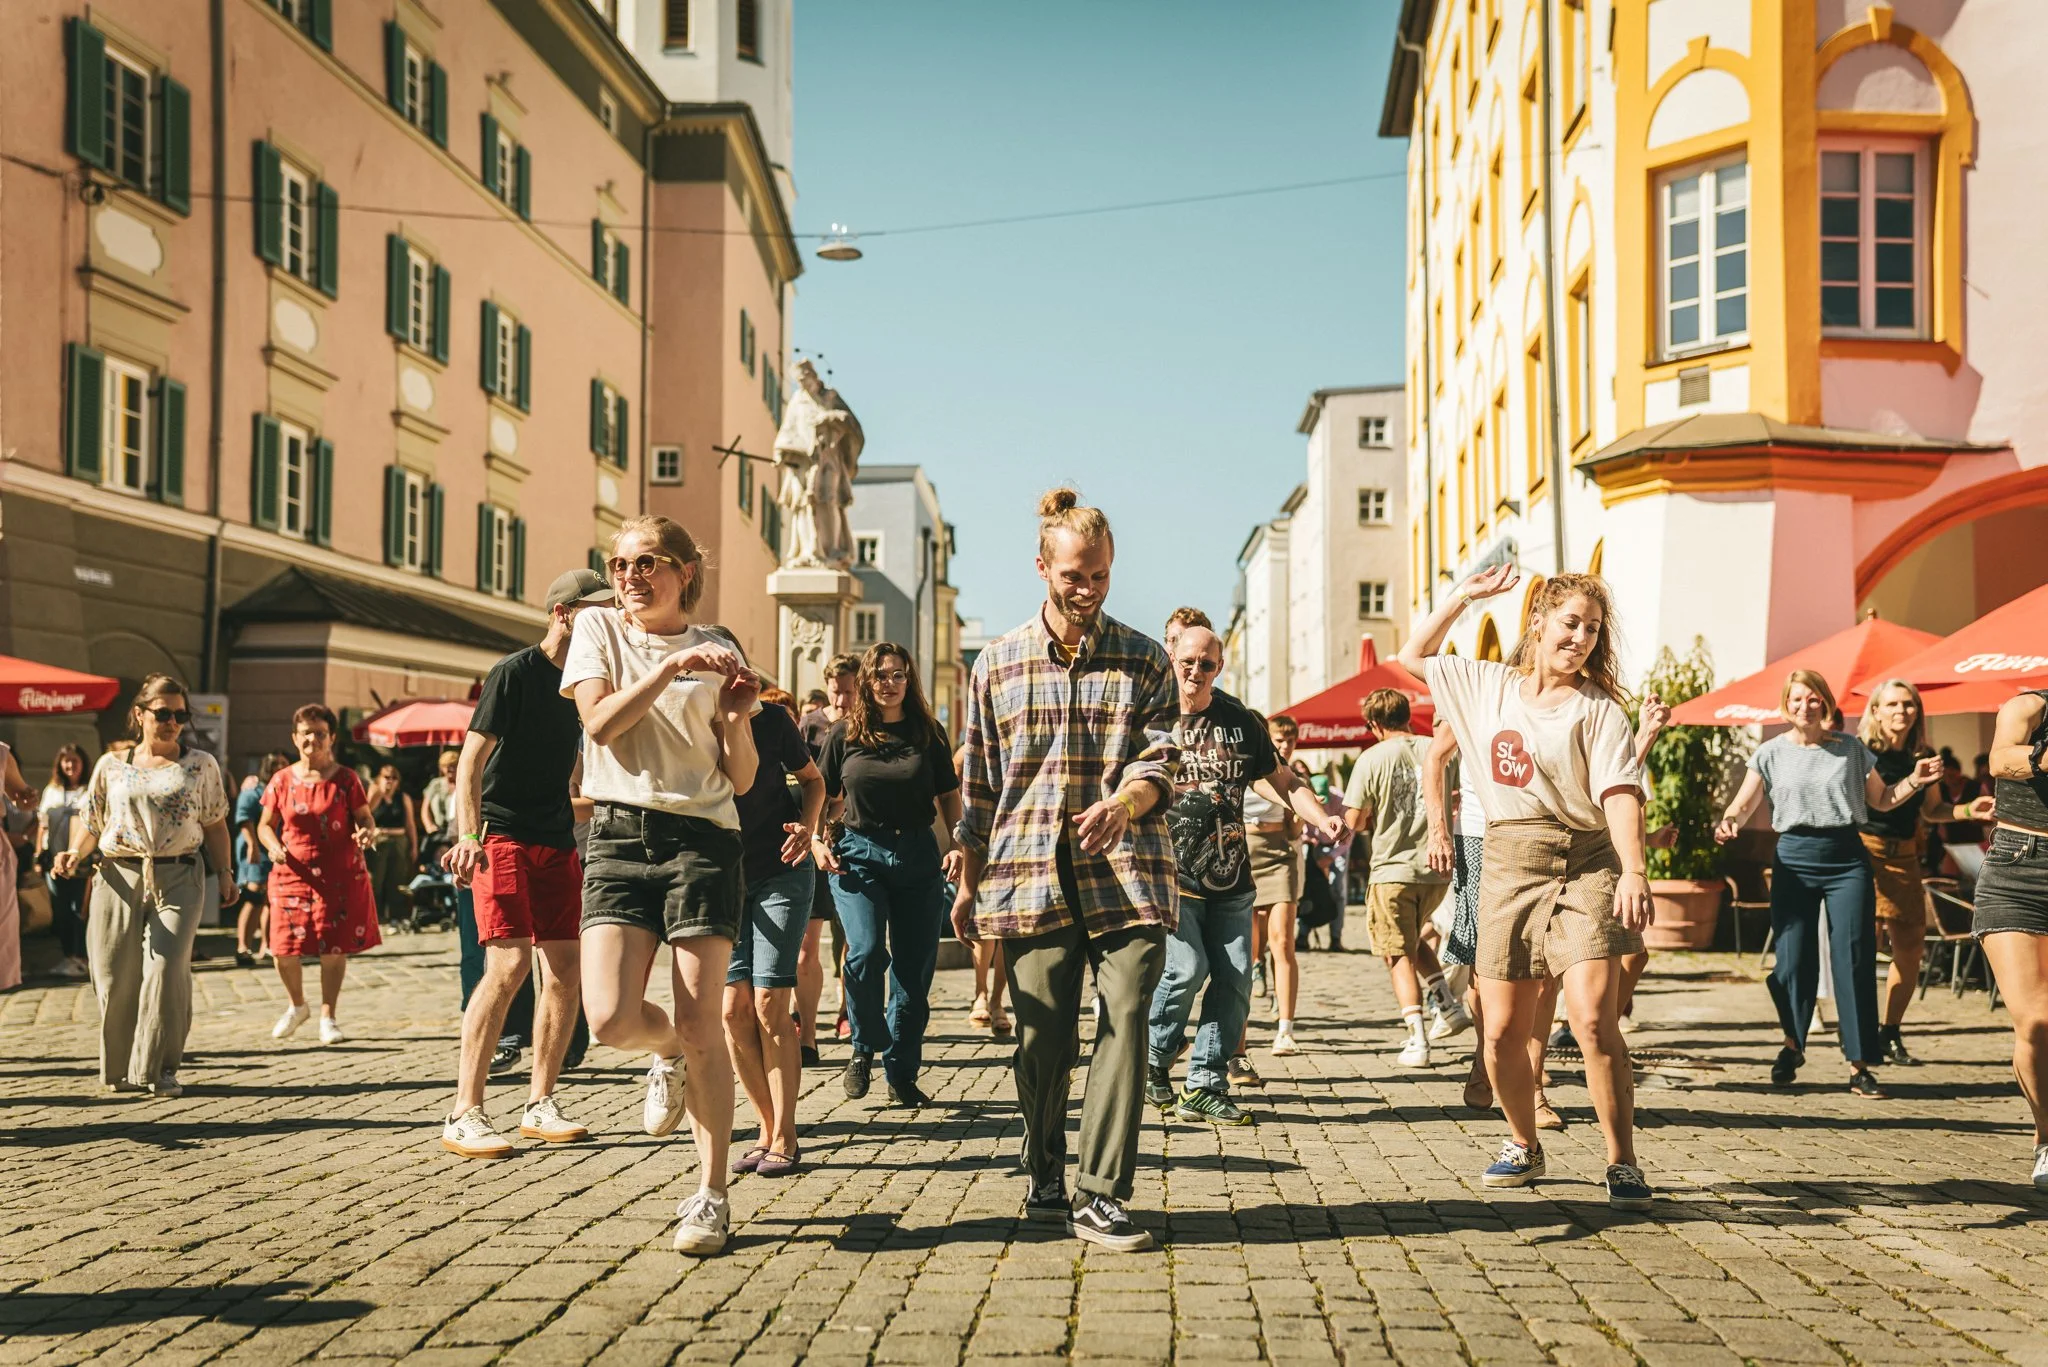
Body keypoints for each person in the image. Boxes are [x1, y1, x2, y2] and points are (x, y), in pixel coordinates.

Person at [952, 487, 1179, 1253]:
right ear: (1042, 566)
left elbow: (1163, 760)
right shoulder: (997, 664)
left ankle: (1102, 1192)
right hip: (1026, 875)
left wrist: (1129, 800)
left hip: (1129, 873)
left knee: (1126, 1016)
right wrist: (965, 876)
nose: (1088, 591)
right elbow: (980, 783)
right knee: (1044, 1039)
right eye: (1075, 576)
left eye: (1102, 576)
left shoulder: (1146, 658)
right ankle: (1044, 1164)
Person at [1399, 565, 1657, 1210]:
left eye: (1593, 630)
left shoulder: (1599, 710)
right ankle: (1523, 1143)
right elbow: (1413, 655)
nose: (1580, 639)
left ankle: (1621, 1160)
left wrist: (1634, 868)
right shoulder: (1486, 685)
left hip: (1587, 858)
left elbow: (1621, 792)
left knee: (1594, 1020)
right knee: (1500, 1032)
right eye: (1570, 623)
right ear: (1538, 622)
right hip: (1510, 859)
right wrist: (1463, 596)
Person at [564, 515, 760, 1257]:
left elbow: (738, 776)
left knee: (704, 1019)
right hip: (617, 834)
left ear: (684, 571)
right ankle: (667, 1052)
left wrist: (736, 717)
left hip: (704, 841)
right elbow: (603, 724)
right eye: (618, 564)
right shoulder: (598, 632)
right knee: (609, 1015)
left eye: (647, 563)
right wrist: (671, 669)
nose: (630, 577)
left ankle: (712, 1194)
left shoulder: (722, 646)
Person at [438, 569, 614, 1159]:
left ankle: (540, 1102)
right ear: (564, 612)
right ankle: (465, 1110)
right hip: (504, 836)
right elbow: (469, 765)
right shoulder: (514, 673)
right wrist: (469, 835)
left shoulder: (585, 683)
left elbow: (575, 773)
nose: (610, 617)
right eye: (598, 609)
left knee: (565, 969)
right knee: (509, 965)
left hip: (557, 838)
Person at [1146, 624, 1343, 1124]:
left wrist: (1321, 817)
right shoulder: (1150, 715)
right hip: (1172, 874)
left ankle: (1205, 1083)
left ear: (1220, 666)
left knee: (1235, 979)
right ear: (1172, 654)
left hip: (1232, 876)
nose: (1195, 672)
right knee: (1186, 971)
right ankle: (1154, 1060)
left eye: (1206, 664)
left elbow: (1282, 779)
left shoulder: (1238, 719)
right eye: (1187, 661)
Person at [1715, 669, 1940, 1098]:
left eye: (1814, 698)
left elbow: (1881, 800)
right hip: (1794, 857)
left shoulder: (1851, 749)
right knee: (1792, 959)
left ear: (1827, 702)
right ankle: (1792, 1044)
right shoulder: (1770, 752)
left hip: (1846, 857)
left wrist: (1916, 780)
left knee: (1854, 956)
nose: (1806, 706)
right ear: (1786, 704)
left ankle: (1860, 1064)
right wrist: (1728, 822)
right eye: (1798, 699)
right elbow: (1743, 804)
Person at [52, 676, 235, 1093]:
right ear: (139, 715)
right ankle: (119, 1069)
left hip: (180, 874)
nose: (173, 722)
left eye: (180, 714)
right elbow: (93, 821)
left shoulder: (200, 764)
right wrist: (74, 854)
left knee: (167, 970)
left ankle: (159, 1068)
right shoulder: (110, 765)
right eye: (163, 713)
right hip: (117, 875)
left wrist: (225, 872)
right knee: (115, 978)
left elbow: (216, 824)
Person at [817, 642, 964, 1107]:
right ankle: (862, 1045)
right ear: (866, 680)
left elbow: (949, 797)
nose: (889, 682)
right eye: (880, 674)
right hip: (858, 853)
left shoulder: (929, 733)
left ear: (909, 679)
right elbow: (818, 794)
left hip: (918, 854)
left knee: (913, 973)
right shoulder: (844, 734)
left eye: (898, 674)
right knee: (862, 952)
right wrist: (819, 840)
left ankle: (901, 1072)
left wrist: (958, 844)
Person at [1858, 680, 1995, 1065]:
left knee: (1911, 949)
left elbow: (1932, 811)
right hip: (1863, 852)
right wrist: (1915, 778)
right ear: (1877, 711)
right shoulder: (1863, 753)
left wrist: (1969, 810)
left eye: (1909, 704)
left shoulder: (1925, 754)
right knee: (1861, 949)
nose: (1902, 711)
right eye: (1893, 705)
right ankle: (1861, 1032)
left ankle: (1890, 1032)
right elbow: (1880, 804)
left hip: (1905, 856)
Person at [724, 680, 824, 1176]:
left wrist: (810, 827)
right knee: (731, 1009)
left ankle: (787, 1134)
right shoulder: (683, 722)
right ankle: (765, 1128)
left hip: (782, 869)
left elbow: (814, 781)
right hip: (720, 877)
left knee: (768, 1002)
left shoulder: (771, 720)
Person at [1344, 688, 1471, 1071]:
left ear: (1374, 724)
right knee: (1413, 938)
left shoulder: (1372, 757)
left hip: (1393, 869)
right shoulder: (1437, 748)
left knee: (1395, 951)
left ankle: (1416, 1036)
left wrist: (1370, 817)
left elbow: (1354, 821)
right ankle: (1447, 1003)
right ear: (1407, 716)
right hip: (1436, 869)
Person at [260, 703, 382, 1045]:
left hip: (337, 875)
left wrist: (367, 832)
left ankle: (328, 1016)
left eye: (320, 733)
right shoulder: (281, 780)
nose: (313, 739)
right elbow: (264, 826)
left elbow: (365, 817)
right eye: (306, 733)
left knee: (332, 948)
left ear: (331, 738)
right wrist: (271, 846)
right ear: (295, 738)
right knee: (282, 948)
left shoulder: (346, 779)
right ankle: (297, 1005)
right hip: (291, 872)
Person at [1973, 689, 2048, 1189]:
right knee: (2039, 1020)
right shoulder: (2030, 706)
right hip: (2018, 872)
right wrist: (2041, 756)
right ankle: (2047, 1140)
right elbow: (2000, 758)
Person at [796, 653, 859, 1063]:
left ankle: (846, 1009)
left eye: (850, 689)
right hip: (815, 841)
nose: (842, 697)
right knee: (808, 943)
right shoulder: (810, 724)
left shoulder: (863, 725)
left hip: (851, 838)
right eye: (837, 689)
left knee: (852, 940)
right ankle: (808, 1028)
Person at [957, 743, 1011, 1036]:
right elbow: (956, 766)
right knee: (983, 926)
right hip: (982, 839)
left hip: (1016, 839)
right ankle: (981, 992)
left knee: (1007, 930)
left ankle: (998, 1000)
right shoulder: (984, 735)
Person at [36, 745, 93, 981]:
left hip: (81, 859)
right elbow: (43, 824)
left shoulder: (88, 790)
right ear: (59, 764)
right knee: (61, 910)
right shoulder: (52, 790)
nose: (70, 766)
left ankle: (82, 956)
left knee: (79, 909)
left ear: (83, 763)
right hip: (54, 858)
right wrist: (39, 855)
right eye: (66, 761)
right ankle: (69, 955)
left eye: (75, 761)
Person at [233, 752, 291, 967]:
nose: (280, 767)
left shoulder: (286, 789)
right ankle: (243, 947)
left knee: (269, 900)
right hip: (256, 850)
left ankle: (266, 946)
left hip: (276, 850)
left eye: (284, 764)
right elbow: (244, 819)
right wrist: (252, 845)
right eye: (275, 764)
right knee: (253, 896)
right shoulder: (253, 791)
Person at [365, 764, 417, 926]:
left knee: (397, 880)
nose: (390, 781)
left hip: (399, 840)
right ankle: (376, 916)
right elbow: (364, 815)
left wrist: (414, 846)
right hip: (378, 842)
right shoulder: (375, 794)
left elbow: (410, 824)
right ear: (379, 778)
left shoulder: (403, 798)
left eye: (394, 778)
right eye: (386, 777)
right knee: (377, 881)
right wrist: (377, 794)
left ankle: (397, 916)